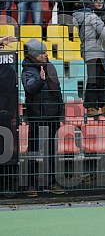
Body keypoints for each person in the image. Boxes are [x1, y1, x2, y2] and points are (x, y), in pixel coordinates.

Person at [21, 39, 65, 197]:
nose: (46, 55)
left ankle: (52, 182)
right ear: (34, 55)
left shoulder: (50, 66)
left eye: (46, 52)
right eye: (42, 52)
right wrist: (41, 80)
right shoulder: (27, 70)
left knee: (51, 151)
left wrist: (61, 112)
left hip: (52, 115)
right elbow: (30, 88)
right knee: (33, 150)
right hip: (36, 115)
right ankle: (31, 184)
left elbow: (58, 91)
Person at [73, 0, 105, 117]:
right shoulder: (92, 17)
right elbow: (103, 32)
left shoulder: (78, 18)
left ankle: (99, 105)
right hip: (97, 51)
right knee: (98, 79)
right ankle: (95, 106)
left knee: (97, 78)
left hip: (88, 51)